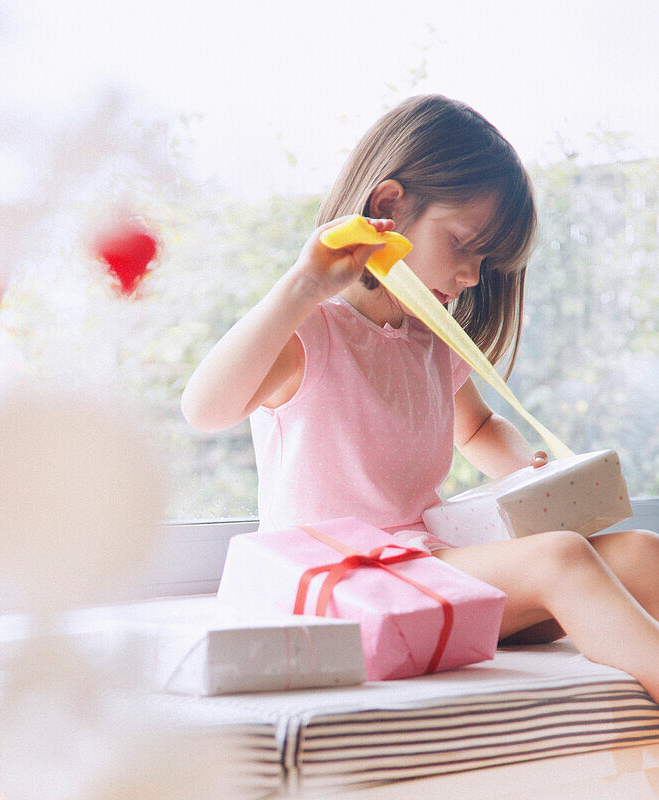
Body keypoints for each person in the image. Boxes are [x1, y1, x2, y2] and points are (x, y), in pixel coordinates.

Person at [182, 94, 659, 702]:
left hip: (421, 566)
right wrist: (300, 286)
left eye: (484, 261)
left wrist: (535, 476)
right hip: (336, 582)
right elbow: (204, 410)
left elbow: (478, 427)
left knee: (641, 553)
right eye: (463, 244)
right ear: (387, 206)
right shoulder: (311, 332)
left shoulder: (431, 342)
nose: (472, 277)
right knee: (560, 561)